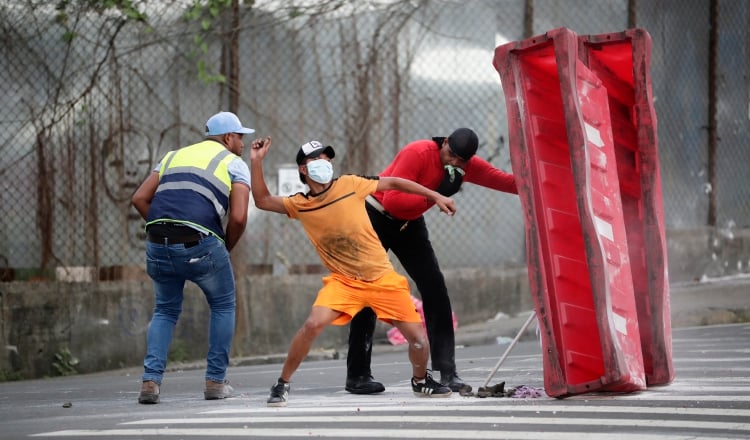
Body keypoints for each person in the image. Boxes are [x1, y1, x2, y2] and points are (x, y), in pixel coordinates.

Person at [249, 137, 456, 407]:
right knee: (312, 325)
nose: (324, 163)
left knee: (418, 341)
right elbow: (262, 200)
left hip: (382, 279)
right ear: (303, 169)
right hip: (345, 283)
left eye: (327, 158)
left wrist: (436, 195)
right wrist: (256, 162)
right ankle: (282, 383)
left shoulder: (350, 184)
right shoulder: (299, 204)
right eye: (316, 159)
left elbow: (392, 182)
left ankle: (420, 381)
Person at [345, 128, 518, 395]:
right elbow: (394, 201)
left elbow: (505, 181)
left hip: (410, 224)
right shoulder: (418, 152)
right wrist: (435, 193)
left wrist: (543, 182)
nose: (454, 163)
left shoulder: (464, 167)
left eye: (462, 161)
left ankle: (447, 372)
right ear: (444, 143)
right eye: (451, 155)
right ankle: (357, 375)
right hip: (376, 216)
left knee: (435, 286)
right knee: (369, 291)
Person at [131, 111, 253, 404]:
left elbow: (138, 198)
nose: (243, 143)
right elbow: (237, 217)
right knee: (223, 304)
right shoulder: (234, 163)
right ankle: (215, 382)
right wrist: (225, 246)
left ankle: (150, 383)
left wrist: (167, 229)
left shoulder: (172, 156)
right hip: (201, 244)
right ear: (227, 138)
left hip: (158, 242)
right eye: (240, 137)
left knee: (165, 310)